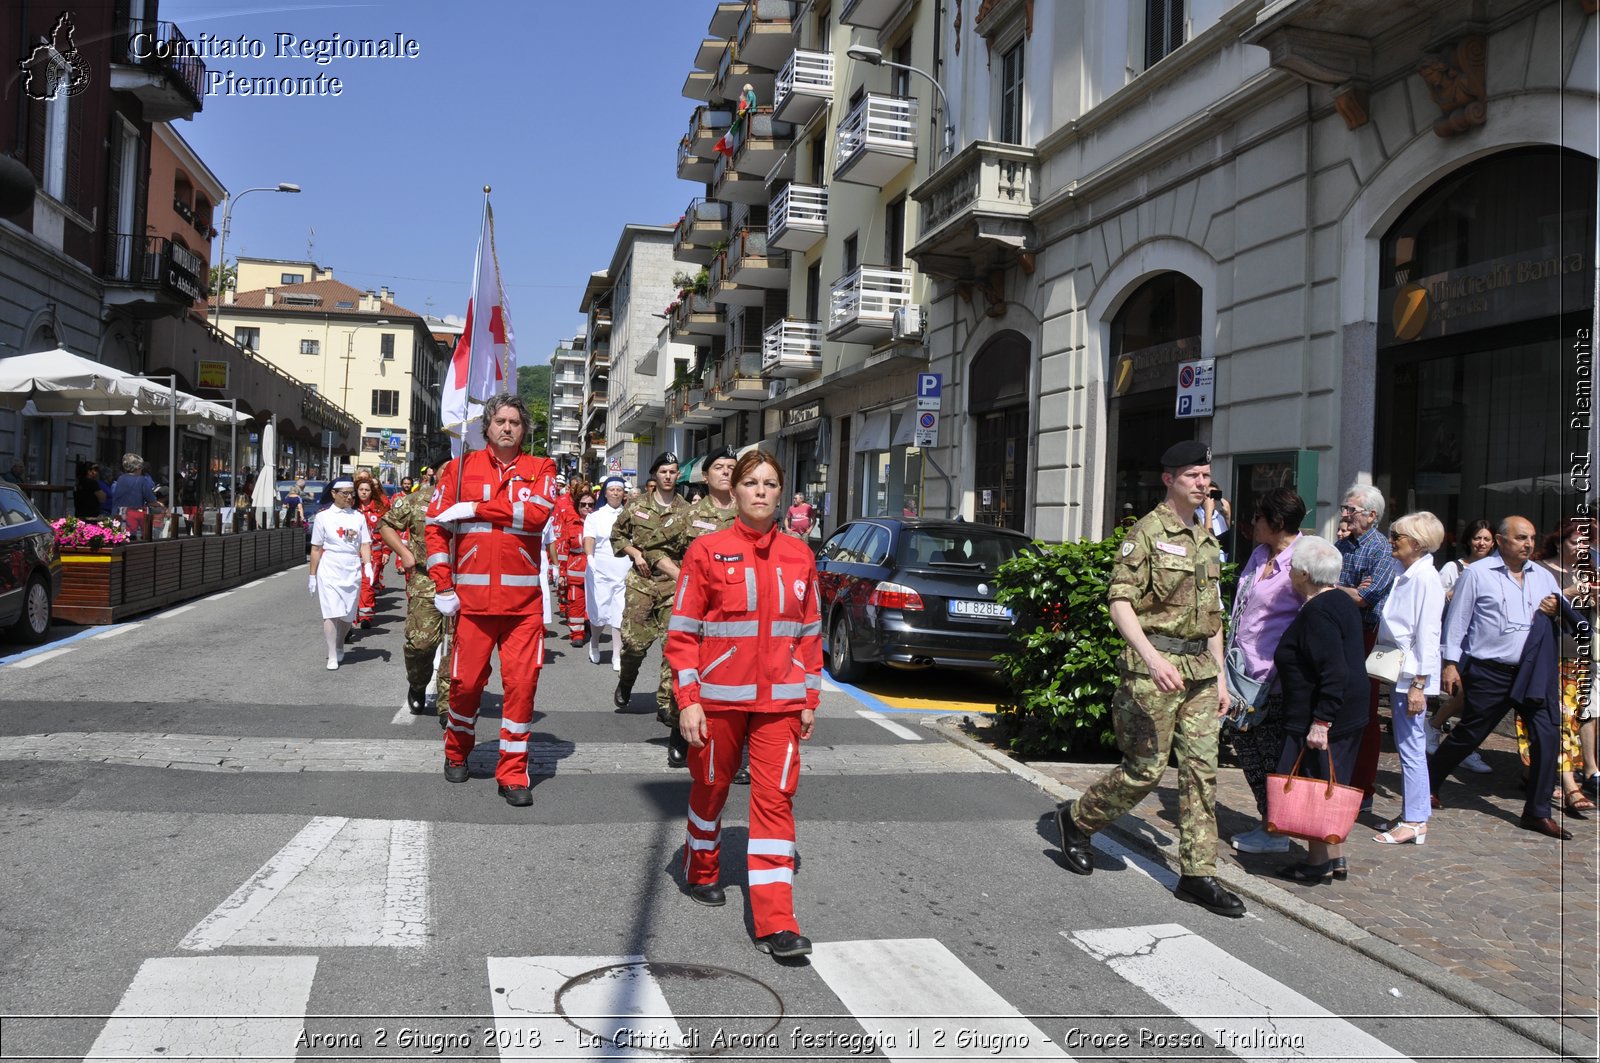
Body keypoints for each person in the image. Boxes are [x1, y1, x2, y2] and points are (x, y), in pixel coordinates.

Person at [1053, 440, 1245, 919]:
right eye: (1192, 476)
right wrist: (1151, 657)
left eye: (1206, 475)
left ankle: (1198, 875)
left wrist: (1221, 678)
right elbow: (1120, 602)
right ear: (1169, 480)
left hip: (1200, 671)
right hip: (1154, 669)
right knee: (1146, 769)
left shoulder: (1206, 539)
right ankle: (1077, 819)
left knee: (1202, 771)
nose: (1202, 484)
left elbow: (1213, 615)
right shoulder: (1146, 534)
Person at [666, 449, 822, 959]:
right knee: (710, 787)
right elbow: (683, 634)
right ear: (733, 492)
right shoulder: (706, 551)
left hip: (779, 703)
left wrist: (809, 696)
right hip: (719, 702)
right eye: (750, 482)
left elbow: (809, 633)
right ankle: (701, 863)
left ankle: (777, 923)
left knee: (776, 802)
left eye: (770, 483)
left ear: (781, 493)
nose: (760, 491)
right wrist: (688, 700)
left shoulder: (801, 554)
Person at [425, 395, 558, 808]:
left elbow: (536, 516)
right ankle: (456, 748)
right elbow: (435, 528)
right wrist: (443, 585)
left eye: (515, 422)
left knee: (521, 688)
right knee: (464, 685)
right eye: (499, 420)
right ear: (486, 427)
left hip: (523, 607)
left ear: (524, 429)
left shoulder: (542, 468)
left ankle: (513, 773)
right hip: (472, 604)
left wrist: (477, 508)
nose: (507, 427)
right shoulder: (459, 468)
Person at [1432, 516, 1571, 839]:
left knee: (1547, 737)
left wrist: (1556, 610)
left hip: (1534, 672)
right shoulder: (1477, 574)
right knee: (1470, 734)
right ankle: (1430, 781)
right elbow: (1458, 620)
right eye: (1521, 537)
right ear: (1500, 540)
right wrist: (1450, 663)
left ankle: (1537, 812)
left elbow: (1564, 617)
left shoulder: (1543, 576)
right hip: (1490, 671)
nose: (1529, 544)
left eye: (1533, 538)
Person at [1272, 536, 1371, 882]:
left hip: (1326, 713)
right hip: (1348, 710)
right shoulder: (1341, 601)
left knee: (1315, 784)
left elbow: (1334, 669)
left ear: (1302, 574)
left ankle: (1316, 864)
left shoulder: (1317, 611)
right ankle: (1336, 855)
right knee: (1333, 781)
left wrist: (1321, 721)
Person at [1224, 487, 1306, 855]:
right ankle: (1269, 822)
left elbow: (1310, 616)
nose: (1253, 522)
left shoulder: (1303, 560)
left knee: (1272, 755)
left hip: (1274, 678)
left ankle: (1276, 830)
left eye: (1259, 517)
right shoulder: (1259, 555)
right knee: (1246, 747)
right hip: (1240, 671)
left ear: (1277, 522)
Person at [663, 445, 742, 774]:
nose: (726, 472)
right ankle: (679, 735)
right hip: (697, 609)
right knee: (684, 671)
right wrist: (683, 578)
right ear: (706, 476)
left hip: (738, 611)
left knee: (737, 676)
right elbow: (657, 549)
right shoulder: (688, 516)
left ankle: (736, 752)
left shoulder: (750, 514)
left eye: (732, 467)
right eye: (720, 467)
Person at [1371, 511, 1446, 845]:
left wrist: (1418, 684)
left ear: (1417, 543)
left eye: (1397, 536)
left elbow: (1428, 634)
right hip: (1400, 671)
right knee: (1408, 744)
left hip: (1411, 675)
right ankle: (1414, 815)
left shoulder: (1425, 578)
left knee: (1411, 746)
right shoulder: (1408, 573)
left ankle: (1416, 820)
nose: (1392, 541)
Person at [1519, 517, 1597, 815]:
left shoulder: (1588, 572)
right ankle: (1570, 786)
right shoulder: (1542, 570)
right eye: (1575, 540)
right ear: (1559, 541)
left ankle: (1535, 772)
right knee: (1557, 718)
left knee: (1569, 719)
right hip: (1547, 655)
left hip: (1577, 656)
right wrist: (1570, 594)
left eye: (1585, 542)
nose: (1581, 546)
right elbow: (1536, 606)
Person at [611, 453, 690, 738]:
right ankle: (626, 680)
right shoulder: (637, 506)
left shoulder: (688, 510)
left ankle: (666, 704)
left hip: (672, 585)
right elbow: (617, 536)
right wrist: (634, 552)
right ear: (654, 475)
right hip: (641, 583)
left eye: (673, 471)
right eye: (663, 471)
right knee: (634, 644)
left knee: (673, 648)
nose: (668, 476)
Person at [1335, 484, 1397, 808]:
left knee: (1366, 713)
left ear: (1372, 516)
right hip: (1342, 632)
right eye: (1344, 509)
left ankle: (1363, 789)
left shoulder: (1380, 549)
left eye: (1351, 510)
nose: (1345, 515)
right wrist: (1345, 589)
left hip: (1369, 636)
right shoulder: (1343, 545)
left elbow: (1365, 597)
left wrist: (1335, 587)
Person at [375, 476, 452, 723]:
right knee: (420, 644)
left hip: (462, 581)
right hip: (425, 580)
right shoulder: (418, 499)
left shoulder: (473, 498)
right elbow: (386, 524)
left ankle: (448, 705)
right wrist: (404, 553)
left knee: (456, 647)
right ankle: (418, 683)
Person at [1428, 518, 1497, 768]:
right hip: (1459, 640)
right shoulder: (1452, 568)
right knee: (1468, 694)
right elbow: (1434, 601)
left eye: (1486, 539)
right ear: (1469, 540)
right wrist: (1450, 594)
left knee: (1472, 696)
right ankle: (1444, 734)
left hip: (1484, 639)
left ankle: (1448, 735)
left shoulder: (1497, 569)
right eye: (1477, 537)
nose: (1481, 543)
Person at [308, 479, 372, 670]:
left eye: (351, 493)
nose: (350, 497)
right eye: (345, 493)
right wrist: (312, 575)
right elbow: (316, 548)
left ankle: (339, 642)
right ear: (334, 494)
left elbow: (365, 543)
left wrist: (367, 564)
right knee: (330, 612)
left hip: (351, 567)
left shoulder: (358, 517)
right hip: (330, 567)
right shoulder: (323, 517)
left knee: (347, 615)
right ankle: (332, 653)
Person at [584, 477, 630, 668]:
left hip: (623, 568)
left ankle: (617, 655)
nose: (616, 493)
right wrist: (590, 557)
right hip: (600, 570)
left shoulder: (629, 515)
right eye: (612, 489)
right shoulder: (595, 516)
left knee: (619, 613)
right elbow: (589, 538)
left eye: (619, 490)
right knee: (600, 613)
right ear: (605, 492)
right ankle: (594, 643)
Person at [353, 472, 390, 629]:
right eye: (361, 489)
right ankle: (352, 617)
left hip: (373, 553)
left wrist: (387, 551)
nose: (363, 492)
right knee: (353, 584)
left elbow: (387, 532)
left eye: (367, 490)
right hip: (353, 553)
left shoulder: (379, 509)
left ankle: (366, 615)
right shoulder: (351, 509)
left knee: (367, 583)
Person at [560, 484, 595, 647]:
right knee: (575, 604)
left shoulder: (598, 523)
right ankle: (577, 634)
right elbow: (563, 549)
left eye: (590, 505)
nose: (587, 508)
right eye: (583, 505)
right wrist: (561, 573)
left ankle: (591, 628)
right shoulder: (571, 524)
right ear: (577, 506)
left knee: (594, 602)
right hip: (575, 570)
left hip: (595, 571)